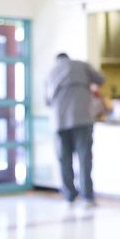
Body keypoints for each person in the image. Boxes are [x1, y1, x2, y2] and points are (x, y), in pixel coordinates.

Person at [44, 52, 105, 205]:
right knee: (84, 158)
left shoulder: (50, 72)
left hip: (59, 121)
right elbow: (101, 80)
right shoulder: (81, 65)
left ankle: (69, 195)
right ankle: (87, 196)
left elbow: (46, 101)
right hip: (82, 118)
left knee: (64, 159)